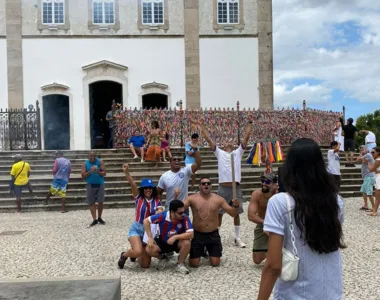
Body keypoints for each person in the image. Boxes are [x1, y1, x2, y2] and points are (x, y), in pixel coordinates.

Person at [257, 138, 345, 300]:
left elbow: (273, 266)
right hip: (331, 292)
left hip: (296, 294)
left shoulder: (280, 203)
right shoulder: (336, 201)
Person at [200, 118, 253, 248]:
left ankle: (237, 237)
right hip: (223, 187)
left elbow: (246, 138)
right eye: (226, 142)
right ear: (223, 146)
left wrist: (250, 123)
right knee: (219, 213)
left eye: (231, 141)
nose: (229, 142)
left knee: (237, 212)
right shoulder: (220, 153)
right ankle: (216, 236)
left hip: (235, 187)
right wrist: (202, 126)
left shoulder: (237, 153)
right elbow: (209, 140)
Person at [183, 177, 240, 268]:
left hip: (213, 234)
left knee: (215, 263)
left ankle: (208, 250)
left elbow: (233, 214)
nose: (206, 185)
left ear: (211, 186)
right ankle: (202, 250)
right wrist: (175, 197)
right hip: (198, 234)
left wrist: (236, 206)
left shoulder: (219, 199)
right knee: (194, 264)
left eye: (208, 183)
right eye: (203, 183)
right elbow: (179, 209)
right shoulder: (192, 198)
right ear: (199, 186)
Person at [118, 164, 161, 269]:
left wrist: (159, 213)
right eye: (146, 188)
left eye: (150, 188)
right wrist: (126, 172)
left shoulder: (157, 200)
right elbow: (132, 184)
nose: (148, 190)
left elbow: (160, 211)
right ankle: (124, 255)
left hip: (148, 231)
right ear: (142, 189)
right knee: (138, 251)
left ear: (153, 189)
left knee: (145, 265)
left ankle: (135, 250)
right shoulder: (139, 198)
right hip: (137, 228)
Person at [144, 200, 194, 274]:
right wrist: (150, 237)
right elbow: (146, 221)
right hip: (163, 241)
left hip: (177, 242)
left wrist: (175, 237)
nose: (183, 214)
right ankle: (163, 258)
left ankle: (180, 264)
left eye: (184, 211)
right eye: (180, 213)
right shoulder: (162, 216)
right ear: (172, 212)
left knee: (187, 242)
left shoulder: (185, 218)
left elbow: (191, 234)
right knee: (149, 249)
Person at [158, 131, 201, 215]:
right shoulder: (164, 176)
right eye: (174, 159)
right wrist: (159, 207)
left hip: (183, 207)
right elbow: (159, 193)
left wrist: (195, 150)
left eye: (178, 160)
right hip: (169, 208)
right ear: (170, 162)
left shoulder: (186, 171)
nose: (177, 161)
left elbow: (198, 164)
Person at [248, 173, 278, 265]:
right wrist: (266, 223)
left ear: (274, 184)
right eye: (262, 181)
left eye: (268, 182)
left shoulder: (280, 194)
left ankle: (277, 251)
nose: (264, 183)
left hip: (278, 223)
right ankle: (271, 251)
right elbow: (251, 216)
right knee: (257, 260)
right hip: (263, 222)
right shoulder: (257, 194)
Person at [81, 151, 106, 227]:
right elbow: (83, 176)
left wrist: (97, 171)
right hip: (90, 184)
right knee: (91, 202)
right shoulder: (85, 164)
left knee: (100, 201)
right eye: (91, 156)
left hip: (100, 184)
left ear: (96, 156)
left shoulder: (100, 162)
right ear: (88, 157)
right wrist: (90, 171)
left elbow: (104, 173)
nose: (92, 158)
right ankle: (94, 219)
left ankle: (99, 217)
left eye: (94, 156)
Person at [357, 145, 375, 212]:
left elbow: (358, 159)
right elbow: (359, 159)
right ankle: (366, 205)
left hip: (369, 176)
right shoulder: (366, 155)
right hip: (366, 176)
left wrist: (361, 153)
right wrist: (361, 153)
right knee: (363, 191)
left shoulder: (367, 154)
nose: (361, 150)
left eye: (362, 149)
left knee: (369, 192)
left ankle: (373, 207)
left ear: (366, 149)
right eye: (360, 149)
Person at [363, 147, 380, 217]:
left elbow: (371, 169)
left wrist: (368, 163)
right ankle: (374, 210)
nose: (372, 154)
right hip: (377, 177)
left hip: (379, 178)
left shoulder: (377, 160)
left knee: (377, 196)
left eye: (373, 152)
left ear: (378, 152)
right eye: (371, 152)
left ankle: (374, 211)